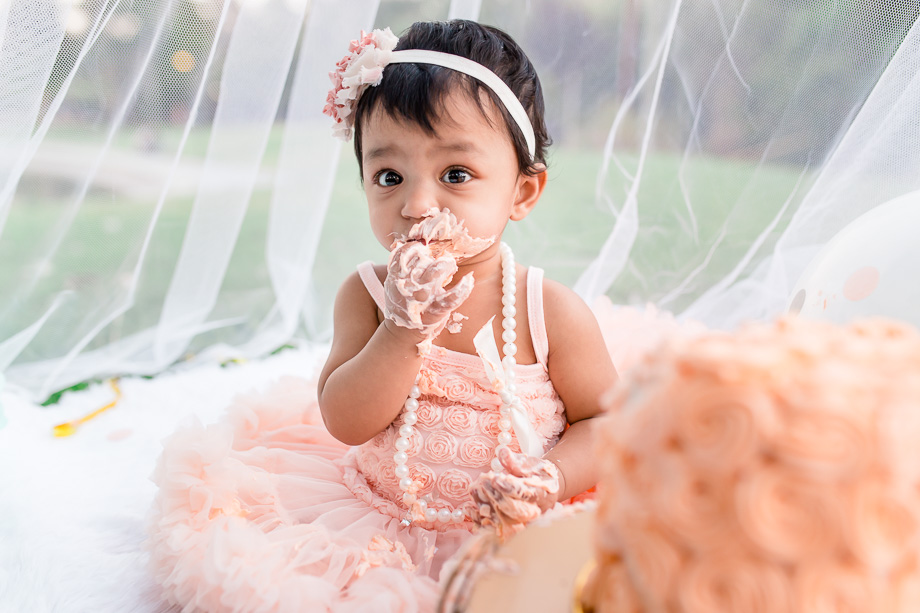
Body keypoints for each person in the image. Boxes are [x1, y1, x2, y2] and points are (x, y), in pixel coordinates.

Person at [147, 20, 617, 613]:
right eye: (389, 176)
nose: (417, 205)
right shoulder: (367, 295)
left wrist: (552, 480)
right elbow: (345, 421)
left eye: (456, 174)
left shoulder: (546, 310)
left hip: (519, 528)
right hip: (383, 524)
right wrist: (400, 332)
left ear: (522, 193)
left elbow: (604, 421)